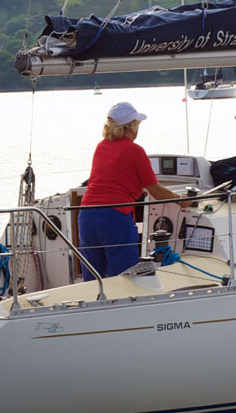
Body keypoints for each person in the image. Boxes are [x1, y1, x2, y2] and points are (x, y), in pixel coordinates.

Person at [78, 102, 190, 280]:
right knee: (124, 277)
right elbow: (157, 192)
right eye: (137, 125)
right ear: (131, 128)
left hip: (86, 216)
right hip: (114, 218)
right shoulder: (135, 151)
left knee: (92, 278)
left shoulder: (101, 147)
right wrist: (181, 199)